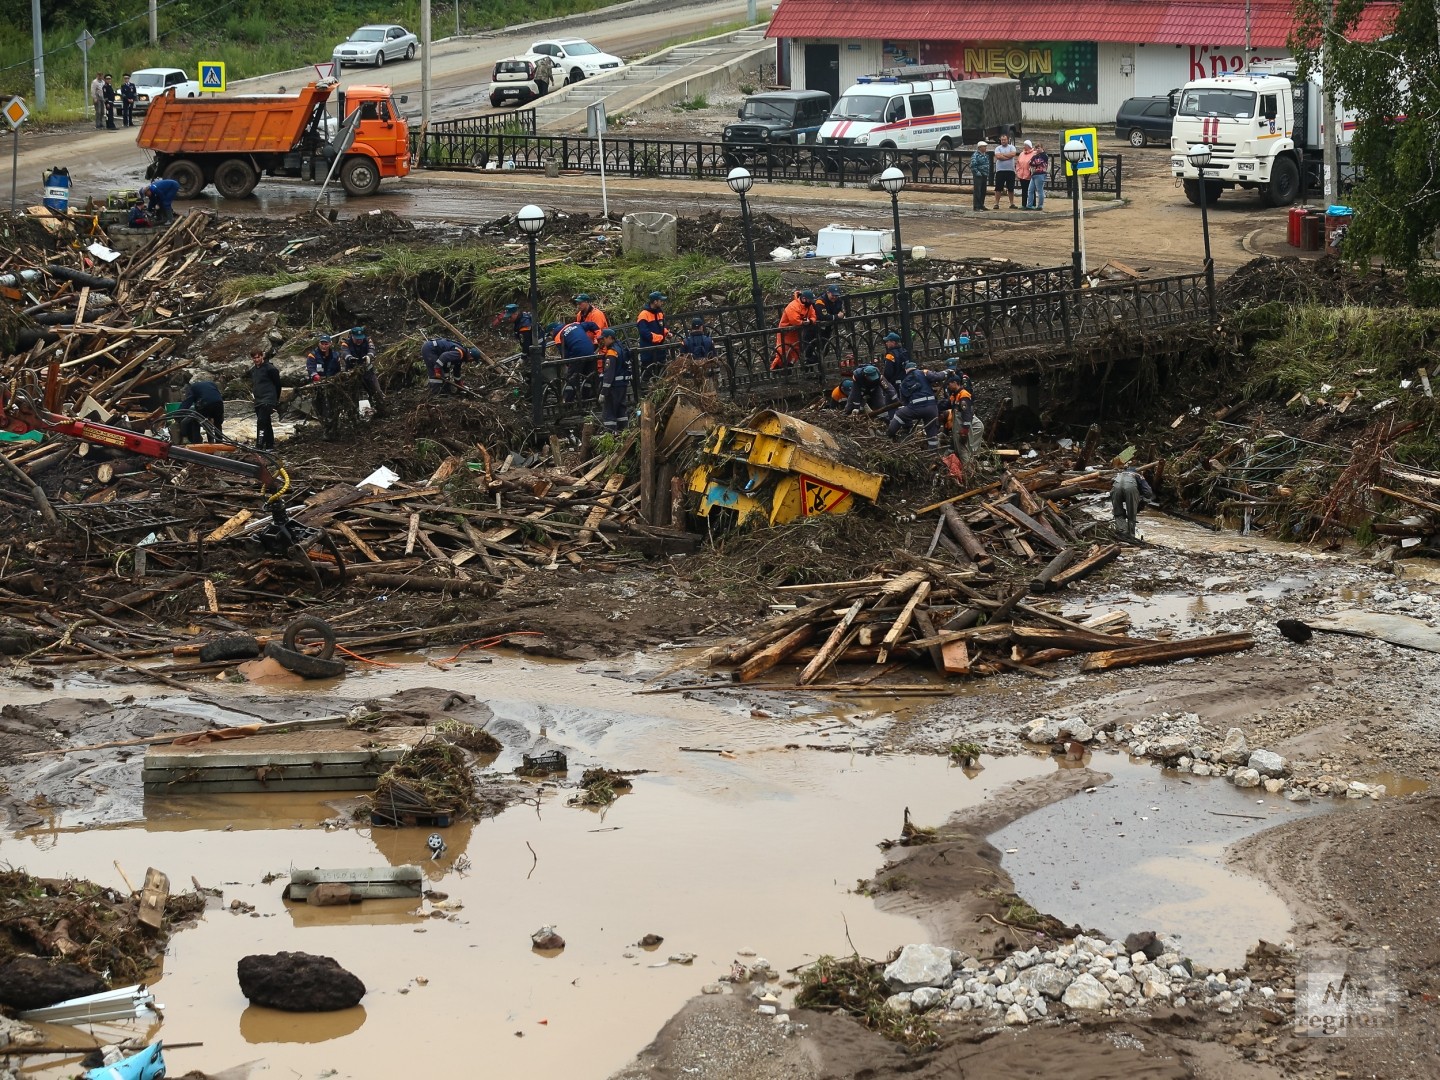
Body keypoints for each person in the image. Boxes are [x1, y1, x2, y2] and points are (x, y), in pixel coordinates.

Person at [888, 361, 940, 450]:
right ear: (916, 367)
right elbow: (938, 377)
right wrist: (947, 371)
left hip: (915, 408)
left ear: (906, 370)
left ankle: (890, 434)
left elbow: (904, 402)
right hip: (932, 408)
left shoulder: (904, 383)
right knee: (931, 431)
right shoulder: (924, 373)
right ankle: (933, 452)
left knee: (899, 414)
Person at [598, 327, 634, 432]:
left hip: (614, 387)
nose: (602, 341)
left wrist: (603, 392)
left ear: (610, 338)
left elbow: (609, 374)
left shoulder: (611, 353)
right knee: (621, 410)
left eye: (603, 339)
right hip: (623, 384)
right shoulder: (621, 348)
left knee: (609, 412)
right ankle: (624, 432)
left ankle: (609, 435)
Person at [337, 326, 384, 407]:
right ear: (352, 336)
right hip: (352, 372)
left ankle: (380, 408)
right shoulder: (346, 343)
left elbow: (372, 349)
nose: (359, 341)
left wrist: (369, 356)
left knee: (377, 392)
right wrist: (350, 358)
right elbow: (344, 352)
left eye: (360, 338)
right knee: (352, 394)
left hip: (368, 371)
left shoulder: (368, 340)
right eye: (357, 339)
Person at [771, 288, 816, 370]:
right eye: (810, 301)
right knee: (782, 352)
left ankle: (789, 368)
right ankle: (774, 369)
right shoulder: (793, 306)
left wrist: (810, 321)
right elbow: (794, 320)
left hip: (796, 332)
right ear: (804, 299)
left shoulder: (809, 306)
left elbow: (813, 316)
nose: (811, 303)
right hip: (785, 332)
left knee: (796, 351)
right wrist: (803, 322)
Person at [557, 320, 599, 403]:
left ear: (552, 331)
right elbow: (592, 324)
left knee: (572, 378)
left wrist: (569, 365)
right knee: (588, 377)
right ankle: (587, 401)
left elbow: (565, 354)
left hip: (577, 354)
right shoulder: (576, 324)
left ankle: (568, 403)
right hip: (590, 351)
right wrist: (597, 340)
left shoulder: (558, 337)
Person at [636, 291, 671, 391]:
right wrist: (660, 338)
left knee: (662, 373)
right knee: (647, 375)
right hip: (648, 350)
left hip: (660, 350)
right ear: (655, 302)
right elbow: (644, 333)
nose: (662, 303)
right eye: (661, 301)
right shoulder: (643, 315)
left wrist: (666, 333)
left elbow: (662, 327)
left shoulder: (660, 312)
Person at [248, 350, 281, 451]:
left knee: (261, 422)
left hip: (268, 399)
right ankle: (270, 445)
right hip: (258, 399)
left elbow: (278, 385)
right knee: (266, 422)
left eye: (258, 357)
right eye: (254, 358)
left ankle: (259, 445)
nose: (256, 360)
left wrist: (276, 400)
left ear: (262, 356)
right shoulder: (253, 370)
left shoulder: (270, 369)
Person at [1111, 465, 1155, 539]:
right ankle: (1131, 536)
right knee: (1131, 514)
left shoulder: (1119, 474)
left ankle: (1122, 532)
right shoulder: (1139, 475)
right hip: (1130, 489)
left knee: (1118, 512)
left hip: (1115, 488)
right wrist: (1141, 500)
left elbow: (1111, 483)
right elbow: (1148, 492)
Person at [177, 379, 224, 444]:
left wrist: (178, 413)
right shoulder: (211, 383)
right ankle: (219, 444)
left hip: (206, 403)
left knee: (196, 420)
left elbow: (187, 402)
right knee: (217, 424)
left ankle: (197, 443)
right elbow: (215, 394)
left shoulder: (192, 387)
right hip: (219, 402)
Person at [812, 284, 846, 365]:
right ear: (828, 293)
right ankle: (810, 366)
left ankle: (817, 364)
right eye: (833, 295)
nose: (834, 297)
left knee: (825, 349)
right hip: (816, 329)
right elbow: (823, 316)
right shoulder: (820, 301)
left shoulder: (838, 300)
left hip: (827, 329)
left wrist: (840, 315)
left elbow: (841, 311)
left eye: (836, 295)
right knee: (811, 348)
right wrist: (836, 316)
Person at [992, 134, 1018, 210]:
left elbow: (1013, 154)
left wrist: (1003, 155)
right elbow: (998, 157)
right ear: (1000, 140)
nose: (1003, 141)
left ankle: (1012, 203)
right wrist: (1007, 156)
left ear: (1008, 139)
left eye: (1005, 139)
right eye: (1002, 140)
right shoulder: (997, 148)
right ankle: (996, 203)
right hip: (1000, 170)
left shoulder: (1012, 147)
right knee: (998, 188)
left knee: (1011, 188)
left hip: (1010, 170)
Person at [969, 141, 991, 212]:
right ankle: (976, 206)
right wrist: (977, 173)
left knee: (983, 190)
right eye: (984, 147)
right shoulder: (975, 155)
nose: (985, 148)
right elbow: (973, 166)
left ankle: (981, 205)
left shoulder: (985, 155)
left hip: (984, 175)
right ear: (980, 147)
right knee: (977, 191)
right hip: (978, 175)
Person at [1028, 141, 1050, 211]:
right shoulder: (1036, 155)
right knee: (1030, 190)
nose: (1037, 149)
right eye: (1036, 148)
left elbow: (1036, 162)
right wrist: (1033, 162)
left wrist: (1033, 162)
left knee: (1040, 190)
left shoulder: (1044, 155)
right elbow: (1030, 162)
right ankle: (1029, 205)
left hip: (1040, 174)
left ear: (1042, 148)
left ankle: (1040, 206)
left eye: (1039, 148)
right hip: (1034, 174)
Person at [1016, 140, 1036, 209]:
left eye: (1025, 145)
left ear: (1029, 146)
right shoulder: (1021, 154)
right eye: (1024, 145)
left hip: (1030, 176)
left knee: (1031, 190)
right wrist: (1018, 171)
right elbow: (1018, 163)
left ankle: (1033, 204)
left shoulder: (1034, 153)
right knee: (1024, 190)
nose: (1024, 146)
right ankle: (1024, 204)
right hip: (1022, 175)